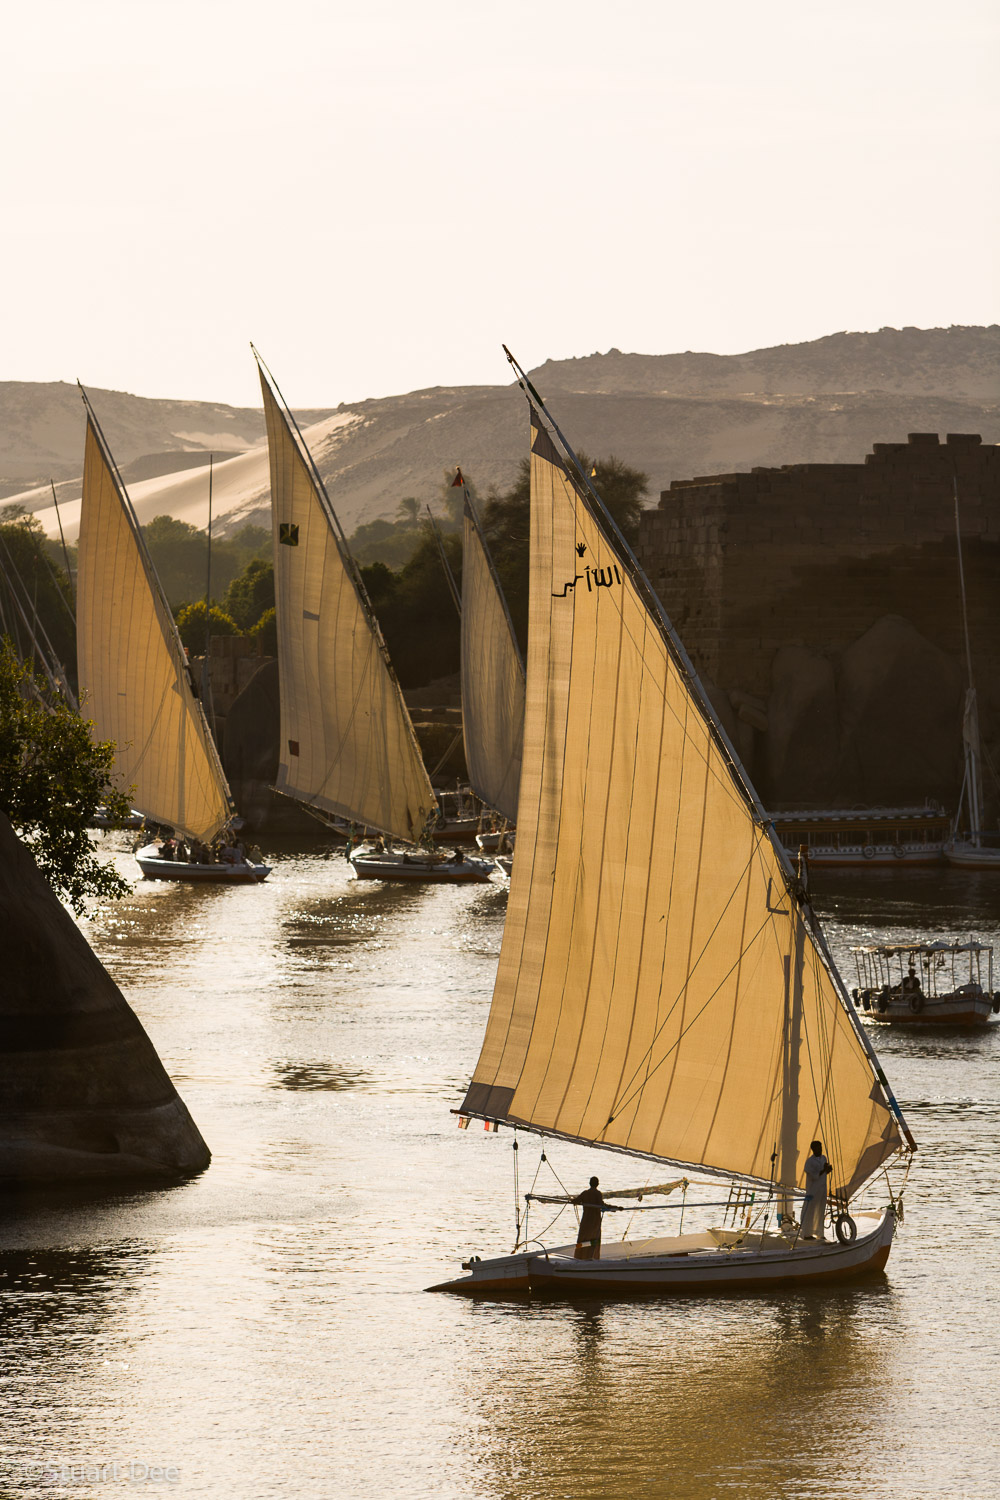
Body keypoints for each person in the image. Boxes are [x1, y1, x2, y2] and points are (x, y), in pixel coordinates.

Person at [573, 1176, 617, 1261]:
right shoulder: (598, 1194)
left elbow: (576, 1201)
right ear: (597, 1184)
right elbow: (602, 1205)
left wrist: (571, 1200)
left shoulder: (585, 1193)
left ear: (589, 1183)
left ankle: (579, 1257)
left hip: (585, 1222)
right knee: (594, 1241)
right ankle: (592, 1258)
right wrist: (614, 1208)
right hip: (594, 1223)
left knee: (583, 1239)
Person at [800, 1141, 833, 1240]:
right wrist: (823, 1169)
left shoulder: (823, 1158)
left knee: (820, 1210)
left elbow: (824, 1173)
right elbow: (813, 1176)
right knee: (810, 1210)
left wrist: (828, 1169)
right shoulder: (810, 1161)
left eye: (821, 1147)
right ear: (813, 1149)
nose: (820, 1149)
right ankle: (806, 1234)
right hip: (813, 1190)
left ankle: (819, 1233)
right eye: (818, 1148)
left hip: (822, 1188)